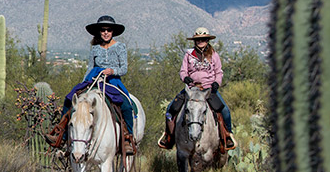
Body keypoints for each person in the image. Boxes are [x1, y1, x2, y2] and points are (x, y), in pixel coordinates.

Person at [45, 15, 137, 155]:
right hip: (93, 79)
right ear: (99, 32)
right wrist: (83, 83)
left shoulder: (120, 47)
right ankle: (61, 135)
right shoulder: (95, 48)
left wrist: (113, 71)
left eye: (109, 30)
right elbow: (90, 67)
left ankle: (127, 138)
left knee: (126, 105)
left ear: (113, 32)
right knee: (70, 99)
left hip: (112, 81)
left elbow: (124, 68)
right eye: (103, 30)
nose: (106, 32)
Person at [157, 27, 235, 150]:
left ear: (207, 40)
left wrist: (216, 83)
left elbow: (219, 72)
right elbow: (183, 71)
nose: (201, 42)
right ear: (195, 41)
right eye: (198, 40)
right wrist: (186, 78)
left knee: (225, 111)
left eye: (203, 39)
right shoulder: (189, 54)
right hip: (192, 89)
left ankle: (227, 135)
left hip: (209, 89)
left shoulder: (214, 55)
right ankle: (169, 137)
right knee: (170, 109)